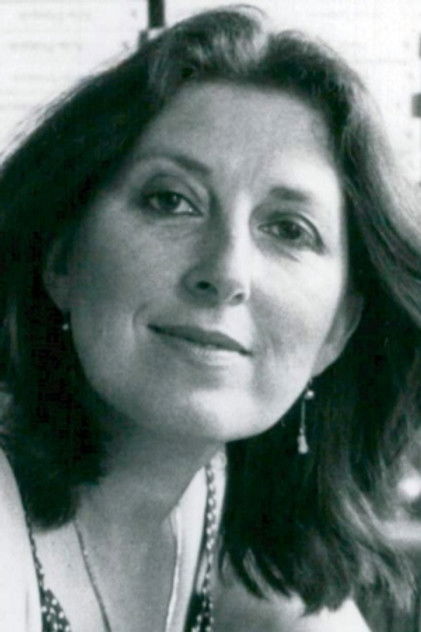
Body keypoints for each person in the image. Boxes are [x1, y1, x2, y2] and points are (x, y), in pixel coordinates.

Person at [0, 6, 419, 632]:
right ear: (62, 259)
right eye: (171, 200)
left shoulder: (219, 496)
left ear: (338, 330)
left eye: (289, 229)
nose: (226, 273)